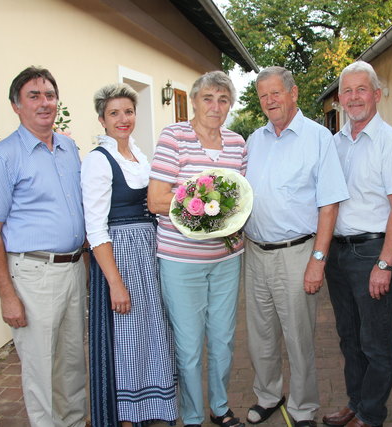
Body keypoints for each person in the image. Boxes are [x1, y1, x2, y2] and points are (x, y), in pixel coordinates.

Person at [0, 66, 86, 427]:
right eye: (33, 96)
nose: (44, 103)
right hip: (34, 275)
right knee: (40, 369)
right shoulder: (1, 159)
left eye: (49, 95)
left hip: (74, 269)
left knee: (72, 363)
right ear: (16, 106)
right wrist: (7, 295)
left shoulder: (69, 147)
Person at [243, 66, 349, 427]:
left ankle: (303, 407)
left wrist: (318, 259)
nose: (269, 101)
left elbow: (329, 204)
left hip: (297, 253)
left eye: (275, 93)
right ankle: (268, 396)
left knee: (298, 337)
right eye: (263, 96)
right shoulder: (254, 140)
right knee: (260, 336)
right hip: (255, 252)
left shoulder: (319, 139)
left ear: (293, 93)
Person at [149, 71, 246, 427]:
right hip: (181, 260)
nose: (215, 107)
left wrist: (228, 216)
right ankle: (191, 416)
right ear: (194, 101)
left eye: (223, 99)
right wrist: (203, 205)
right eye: (208, 98)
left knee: (223, 340)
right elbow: (157, 199)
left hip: (226, 260)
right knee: (189, 346)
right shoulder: (174, 137)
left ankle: (219, 408)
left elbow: (242, 200)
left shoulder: (237, 143)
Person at [321, 61, 392, 427]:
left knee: (375, 342)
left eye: (362, 89)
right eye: (348, 90)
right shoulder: (336, 142)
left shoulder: (391, 144)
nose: (354, 97)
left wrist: (386, 264)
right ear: (340, 98)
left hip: (372, 254)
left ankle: (372, 415)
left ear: (376, 95)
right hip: (339, 255)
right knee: (348, 338)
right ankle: (355, 403)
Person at [81, 83, 178, 426]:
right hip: (120, 256)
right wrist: (115, 284)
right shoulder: (98, 161)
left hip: (147, 250)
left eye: (128, 111)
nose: (123, 119)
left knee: (150, 332)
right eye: (114, 113)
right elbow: (95, 228)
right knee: (126, 339)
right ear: (102, 120)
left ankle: (151, 408)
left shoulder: (139, 154)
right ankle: (126, 415)